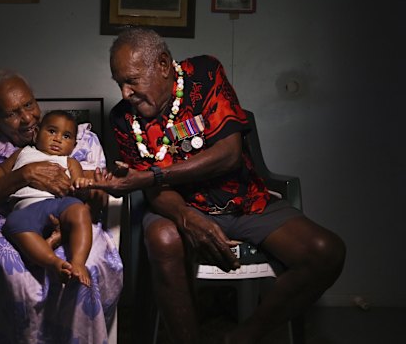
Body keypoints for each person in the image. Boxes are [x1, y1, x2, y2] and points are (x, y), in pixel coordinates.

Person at [92, 27, 346, 344]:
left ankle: (242, 337)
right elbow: (153, 191)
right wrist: (185, 216)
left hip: (244, 202)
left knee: (326, 252)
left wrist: (154, 175)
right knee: (162, 235)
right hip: (179, 206)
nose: (125, 92)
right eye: (120, 83)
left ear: (162, 64)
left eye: (132, 80)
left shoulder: (204, 74)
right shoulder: (123, 119)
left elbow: (229, 155)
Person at [0, 70, 123, 344]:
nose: (26, 118)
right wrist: (22, 175)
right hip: (4, 221)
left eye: (28, 105)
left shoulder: (79, 137)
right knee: (0, 260)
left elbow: (92, 196)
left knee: (91, 262)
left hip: (71, 218)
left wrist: (97, 189)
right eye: (12, 113)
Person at [0, 110, 95, 287]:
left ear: (73, 144)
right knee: (14, 224)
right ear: (36, 134)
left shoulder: (70, 162)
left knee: (80, 210)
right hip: (26, 208)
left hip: (59, 204)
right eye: (51, 131)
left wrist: (81, 184)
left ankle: (78, 263)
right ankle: (54, 262)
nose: (57, 139)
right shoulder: (23, 153)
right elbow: (2, 170)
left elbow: (80, 191)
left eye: (66, 136)